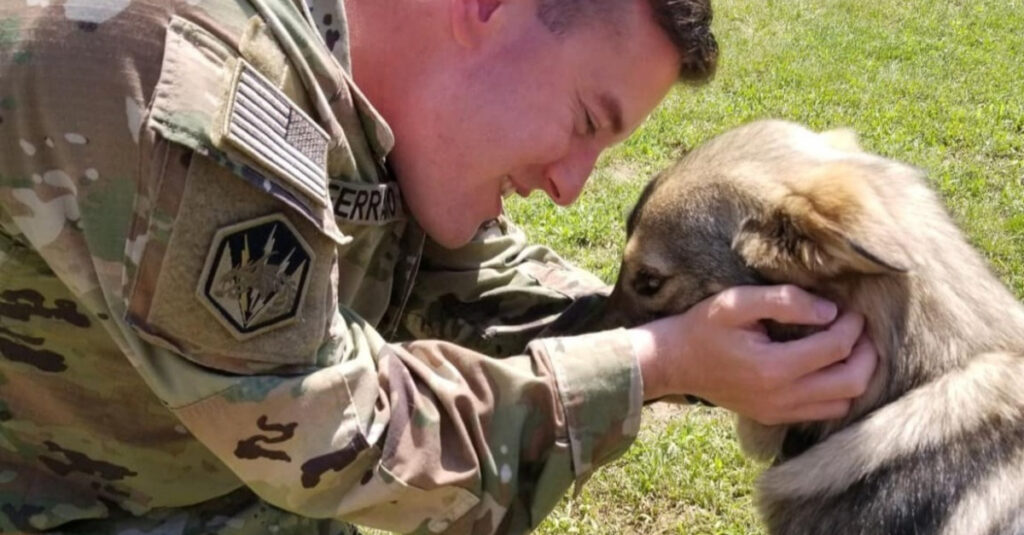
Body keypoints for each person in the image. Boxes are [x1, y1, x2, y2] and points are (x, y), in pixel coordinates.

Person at [0, 0, 875, 532]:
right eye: (584, 121)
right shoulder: (187, 83)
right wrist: (663, 361)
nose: (570, 188)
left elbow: (462, 279)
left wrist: (716, 336)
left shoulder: (373, 77)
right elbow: (339, 439)